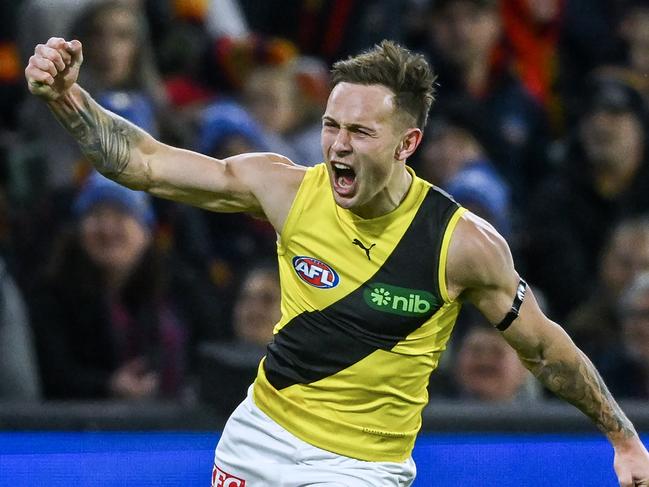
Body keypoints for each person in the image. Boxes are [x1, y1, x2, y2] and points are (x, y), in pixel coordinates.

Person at [25, 36, 649, 486]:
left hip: (362, 470)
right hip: (257, 443)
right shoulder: (288, 189)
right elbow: (145, 163)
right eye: (330, 126)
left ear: (409, 143)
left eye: (359, 132)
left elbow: (544, 349)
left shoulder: (462, 245)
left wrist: (622, 435)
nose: (337, 146)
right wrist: (68, 100)